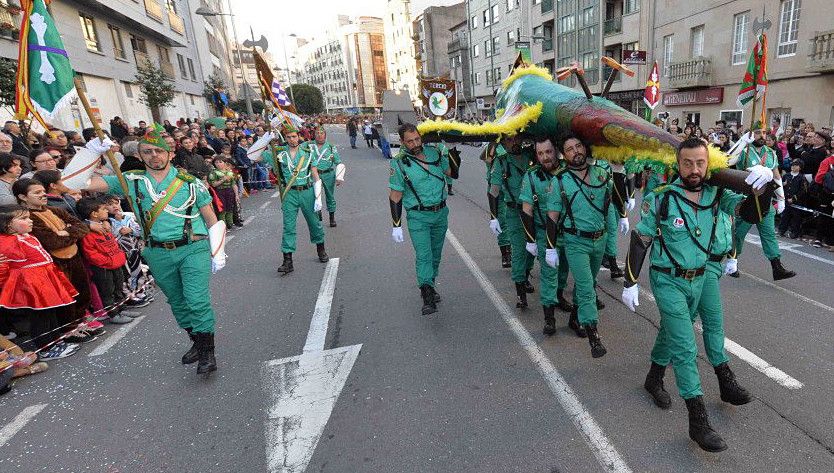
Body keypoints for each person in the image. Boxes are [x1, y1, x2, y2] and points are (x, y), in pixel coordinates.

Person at [621, 137, 774, 452]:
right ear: (678, 164)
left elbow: (752, 213)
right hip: (668, 280)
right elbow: (641, 238)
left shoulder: (718, 194)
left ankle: (659, 378)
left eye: (700, 163)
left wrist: (764, 185)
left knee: (696, 331)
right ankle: (698, 420)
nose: (694, 169)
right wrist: (630, 281)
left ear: (709, 163)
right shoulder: (662, 199)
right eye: (687, 163)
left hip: (703, 276)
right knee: (686, 348)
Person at [83, 124, 227, 375]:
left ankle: (207, 353)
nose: (154, 156)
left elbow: (211, 218)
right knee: (178, 303)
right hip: (157, 252)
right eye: (147, 151)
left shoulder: (189, 182)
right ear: (140, 155)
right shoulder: (131, 182)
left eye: (159, 151)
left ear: (170, 154)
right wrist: (92, 154)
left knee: (197, 300)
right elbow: (81, 183)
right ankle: (196, 341)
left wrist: (218, 251)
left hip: (192, 248)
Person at [544, 134, 627, 355]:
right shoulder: (559, 181)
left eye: (579, 146)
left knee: (588, 283)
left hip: (598, 241)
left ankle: (574, 319)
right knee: (586, 286)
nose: (576, 151)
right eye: (570, 149)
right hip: (575, 242)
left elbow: (612, 198)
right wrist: (551, 247)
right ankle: (593, 335)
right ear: (563, 155)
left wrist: (624, 213)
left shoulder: (601, 174)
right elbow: (552, 218)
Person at [389, 123, 460, 315]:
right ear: (403, 143)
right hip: (418, 217)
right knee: (424, 255)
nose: (415, 143)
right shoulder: (399, 164)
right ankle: (427, 294)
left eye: (417, 139)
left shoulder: (435, 154)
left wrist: (452, 149)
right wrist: (396, 225)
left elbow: (453, 173)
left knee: (435, 255)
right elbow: (395, 196)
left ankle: (431, 283)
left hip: (440, 214)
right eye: (410, 141)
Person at [0, 205, 81, 359]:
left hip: (44, 279)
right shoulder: (7, 243)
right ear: (8, 224)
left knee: (51, 313)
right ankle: (45, 348)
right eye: (23, 218)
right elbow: (4, 267)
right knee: (40, 317)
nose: (30, 221)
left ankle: (56, 342)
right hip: (31, 285)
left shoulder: (26, 236)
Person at [520, 136, 575, 336]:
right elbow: (527, 210)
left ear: (557, 152)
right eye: (540, 153)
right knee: (549, 274)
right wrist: (530, 239)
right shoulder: (532, 177)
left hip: (569, 233)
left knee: (564, 270)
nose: (545, 157)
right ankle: (549, 317)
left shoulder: (569, 172)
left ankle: (559, 296)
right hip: (545, 234)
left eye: (548, 152)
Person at [730, 126, 795, 281]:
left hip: (765, 200)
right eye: (758, 132)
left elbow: (776, 175)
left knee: (769, 235)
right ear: (750, 134)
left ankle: (777, 267)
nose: (762, 135)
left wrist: (781, 199)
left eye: (764, 133)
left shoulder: (771, 152)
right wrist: (741, 143)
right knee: (738, 235)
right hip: (746, 200)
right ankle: (733, 262)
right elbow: (728, 159)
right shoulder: (743, 151)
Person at [487, 134, 537, 308]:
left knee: (532, 252)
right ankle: (520, 293)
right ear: (503, 143)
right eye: (509, 140)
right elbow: (493, 191)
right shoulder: (501, 162)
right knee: (519, 252)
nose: (514, 143)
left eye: (516, 139)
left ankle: (525, 275)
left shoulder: (531, 156)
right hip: (515, 212)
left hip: (534, 213)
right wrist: (493, 217)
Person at [274, 127, 329, 274]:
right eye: (288, 137)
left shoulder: (307, 152)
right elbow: (253, 156)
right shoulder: (279, 154)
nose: (292, 139)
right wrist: (265, 139)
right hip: (289, 194)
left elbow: (314, 173)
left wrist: (318, 196)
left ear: (298, 137)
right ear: (285, 138)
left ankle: (321, 249)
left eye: (294, 136)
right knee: (288, 226)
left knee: (314, 222)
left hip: (307, 191)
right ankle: (287, 260)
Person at [77, 196, 134, 324]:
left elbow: (113, 242)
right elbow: (90, 253)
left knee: (118, 287)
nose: (107, 211)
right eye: (103, 209)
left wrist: (119, 256)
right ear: (94, 214)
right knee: (108, 292)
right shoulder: (88, 231)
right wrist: (107, 261)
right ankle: (113, 314)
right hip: (103, 267)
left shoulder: (104, 224)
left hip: (116, 262)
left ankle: (121, 308)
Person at [481, 142, 512, 268]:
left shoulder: (514, 144)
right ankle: (506, 253)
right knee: (502, 221)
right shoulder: (492, 146)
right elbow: (485, 158)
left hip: (512, 187)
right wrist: (494, 144)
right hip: (496, 187)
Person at [309, 127, 343, 228]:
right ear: (314, 135)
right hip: (314, 175)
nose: (319, 135)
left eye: (322, 133)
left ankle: (331, 218)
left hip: (328, 174)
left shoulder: (331, 147)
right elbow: (295, 147)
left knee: (330, 196)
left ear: (325, 135)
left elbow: (338, 162)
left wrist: (339, 176)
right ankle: (317, 213)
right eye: (317, 133)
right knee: (314, 195)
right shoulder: (308, 145)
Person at [779, 159, 809, 239]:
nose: (793, 166)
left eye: (796, 165)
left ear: (800, 167)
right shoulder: (787, 175)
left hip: (796, 202)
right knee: (785, 216)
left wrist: (794, 198)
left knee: (796, 218)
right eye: (792, 165)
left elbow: (803, 190)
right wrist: (783, 184)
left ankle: (794, 233)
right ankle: (781, 230)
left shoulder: (801, 177)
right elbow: (780, 186)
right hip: (785, 199)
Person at [208, 157, 237, 229]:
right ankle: (223, 227)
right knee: (222, 209)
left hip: (229, 191)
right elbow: (213, 184)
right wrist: (223, 179)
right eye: (216, 162)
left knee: (230, 207)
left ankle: (230, 224)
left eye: (220, 162)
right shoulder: (213, 173)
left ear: (225, 163)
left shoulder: (229, 172)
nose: (218, 164)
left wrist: (236, 195)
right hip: (220, 191)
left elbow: (233, 184)